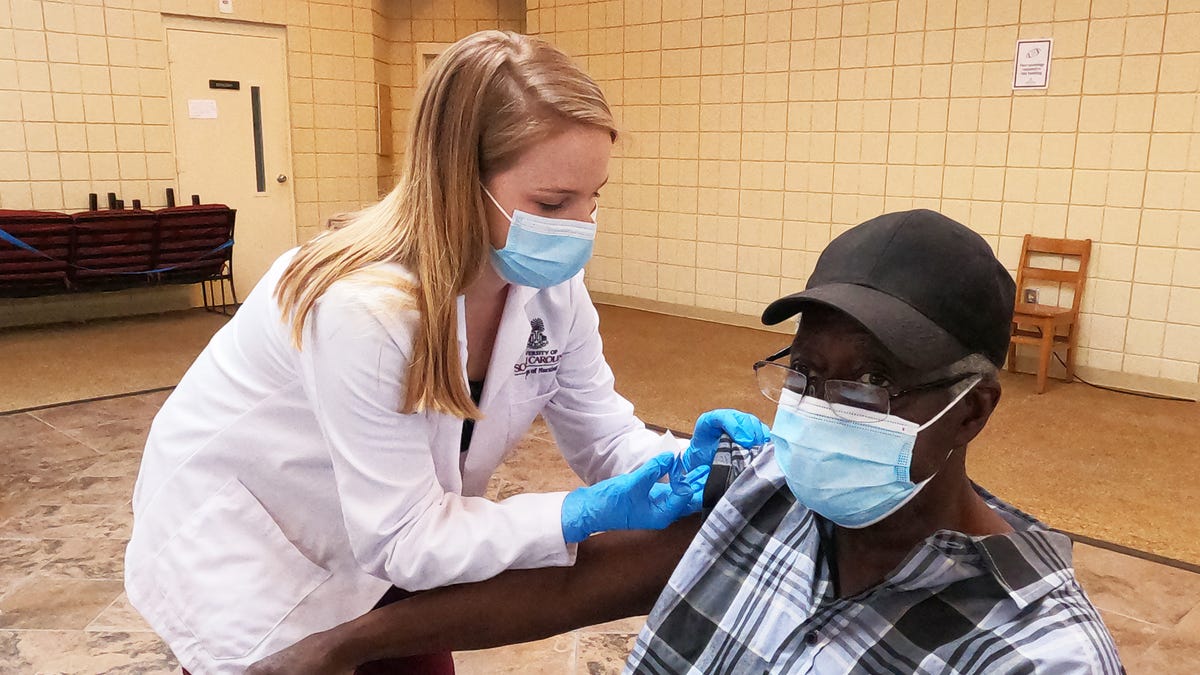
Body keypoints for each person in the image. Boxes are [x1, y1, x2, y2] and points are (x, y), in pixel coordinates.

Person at [124, 30, 767, 674]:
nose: (579, 228)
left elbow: (605, 439)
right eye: (552, 203)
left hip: (402, 545)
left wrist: (693, 464)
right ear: (460, 180)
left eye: (593, 198)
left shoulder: (550, 290)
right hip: (258, 561)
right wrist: (575, 513)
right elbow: (406, 539)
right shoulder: (361, 304)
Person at [247, 209, 1123, 674]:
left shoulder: (1033, 653)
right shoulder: (772, 492)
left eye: (862, 384)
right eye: (805, 375)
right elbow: (573, 586)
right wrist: (339, 645)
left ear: (970, 411)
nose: (812, 412)